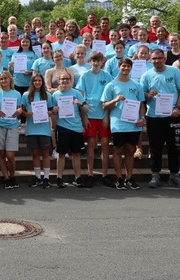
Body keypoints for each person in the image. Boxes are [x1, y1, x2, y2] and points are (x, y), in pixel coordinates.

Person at [141, 48, 180, 189]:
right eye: (154, 59)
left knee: (174, 147)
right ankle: (155, 175)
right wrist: (148, 95)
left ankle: (174, 175)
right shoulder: (146, 75)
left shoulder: (174, 71)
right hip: (154, 116)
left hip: (173, 115)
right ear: (150, 60)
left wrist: (178, 108)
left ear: (164, 58)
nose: (157, 61)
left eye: (159, 58)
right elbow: (142, 94)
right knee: (155, 147)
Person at [101, 58, 146, 190]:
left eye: (128, 66)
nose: (125, 68)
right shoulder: (111, 85)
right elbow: (104, 105)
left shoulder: (137, 85)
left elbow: (141, 105)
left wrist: (142, 118)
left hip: (133, 124)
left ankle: (129, 178)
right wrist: (115, 100)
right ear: (119, 67)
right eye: (123, 66)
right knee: (117, 150)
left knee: (130, 151)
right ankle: (119, 178)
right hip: (118, 124)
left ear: (131, 68)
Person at [76, 51, 114, 188]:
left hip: (103, 114)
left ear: (102, 61)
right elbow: (81, 97)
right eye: (94, 60)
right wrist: (84, 116)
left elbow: (110, 97)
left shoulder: (107, 76)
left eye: (98, 60)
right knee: (91, 144)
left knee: (105, 143)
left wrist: (107, 116)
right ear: (90, 61)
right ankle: (90, 174)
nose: (96, 63)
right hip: (90, 114)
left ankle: (104, 175)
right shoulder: (85, 75)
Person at [51, 71, 89, 188]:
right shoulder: (55, 95)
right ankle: (59, 178)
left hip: (76, 128)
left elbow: (86, 109)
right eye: (63, 79)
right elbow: (52, 112)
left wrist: (79, 103)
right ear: (59, 81)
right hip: (62, 128)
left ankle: (78, 177)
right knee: (61, 153)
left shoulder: (76, 93)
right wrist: (54, 111)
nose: (65, 81)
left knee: (76, 154)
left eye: (67, 79)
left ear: (70, 80)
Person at [0, 71, 24, 189]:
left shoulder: (17, 94)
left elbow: (20, 108)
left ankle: (12, 176)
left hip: (12, 125)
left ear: (10, 79)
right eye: (1, 79)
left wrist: (19, 111)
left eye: (5, 78)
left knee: (10, 155)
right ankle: (6, 178)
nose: (3, 81)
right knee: (1, 153)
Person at [21, 74, 54, 188]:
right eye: (35, 80)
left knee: (45, 153)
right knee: (35, 153)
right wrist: (26, 114)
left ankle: (46, 178)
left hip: (44, 129)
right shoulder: (26, 95)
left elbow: (51, 110)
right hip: (31, 129)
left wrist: (50, 112)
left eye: (39, 80)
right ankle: (38, 177)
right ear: (32, 82)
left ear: (42, 82)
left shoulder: (47, 95)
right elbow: (21, 111)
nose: (37, 82)